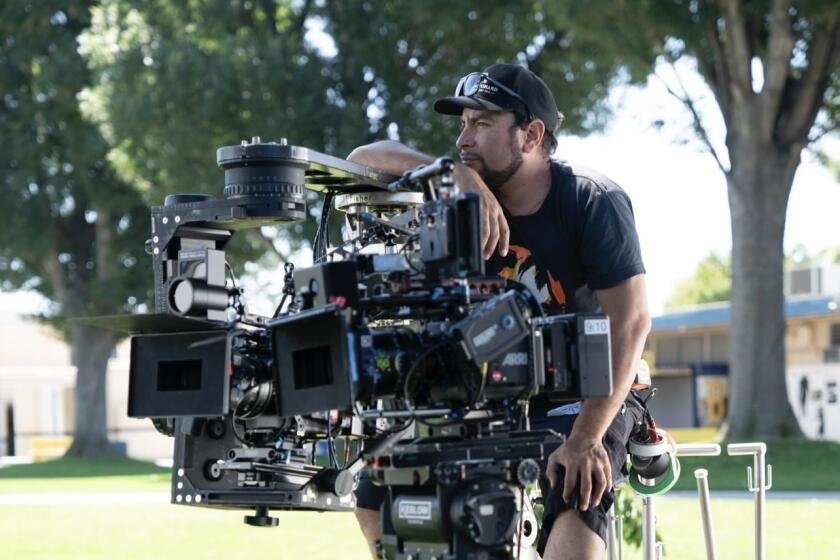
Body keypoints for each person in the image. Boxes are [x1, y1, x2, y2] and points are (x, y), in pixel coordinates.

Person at [347, 63, 651, 560]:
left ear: (531, 135)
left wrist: (587, 437)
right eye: (463, 123)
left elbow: (632, 320)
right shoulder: (455, 190)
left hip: (584, 395)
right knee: (374, 493)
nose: (465, 137)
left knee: (574, 487)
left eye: (482, 124)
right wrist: (452, 171)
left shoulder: (590, 199)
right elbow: (361, 158)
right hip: (485, 396)